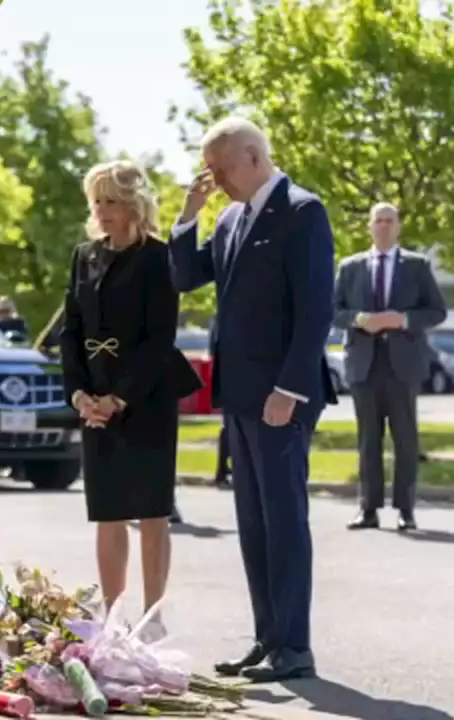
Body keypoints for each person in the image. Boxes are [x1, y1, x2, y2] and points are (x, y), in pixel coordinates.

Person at [169, 117, 336, 682]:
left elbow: (316, 310)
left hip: (280, 396)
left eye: (219, 168)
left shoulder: (302, 212)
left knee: (284, 520)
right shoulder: (232, 216)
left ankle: (296, 646)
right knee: (253, 522)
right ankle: (267, 639)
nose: (213, 178)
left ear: (252, 156)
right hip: (240, 395)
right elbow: (185, 275)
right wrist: (189, 215)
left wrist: (289, 389)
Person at [60, 159, 202, 616]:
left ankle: (151, 615)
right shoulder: (85, 256)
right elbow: (71, 331)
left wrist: (119, 398)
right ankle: (113, 615)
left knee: (151, 509)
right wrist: (81, 395)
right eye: (97, 201)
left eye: (112, 202)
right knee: (107, 510)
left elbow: (160, 338)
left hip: (147, 397)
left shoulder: (159, 257)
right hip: (94, 400)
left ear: (133, 205)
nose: (102, 211)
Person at [332, 203, 447, 532]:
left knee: (405, 440)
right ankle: (367, 509)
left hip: (403, 365)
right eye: (378, 221)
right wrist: (358, 319)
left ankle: (405, 510)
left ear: (398, 227)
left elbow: (436, 311)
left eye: (389, 221)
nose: (383, 226)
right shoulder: (350, 267)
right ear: (369, 227)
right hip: (363, 365)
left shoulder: (417, 266)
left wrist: (404, 319)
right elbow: (333, 309)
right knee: (368, 439)